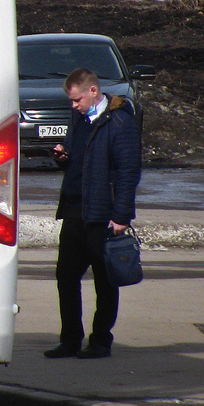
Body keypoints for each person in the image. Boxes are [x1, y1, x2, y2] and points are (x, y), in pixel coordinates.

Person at [43, 68, 142, 360]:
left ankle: (100, 341)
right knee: (66, 277)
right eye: (71, 101)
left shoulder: (120, 122)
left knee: (105, 282)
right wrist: (63, 156)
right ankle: (70, 339)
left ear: (93, 92)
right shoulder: (79, 119)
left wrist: (122, 216)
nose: (73, 106)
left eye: (76, 100)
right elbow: (78, 159)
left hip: (102, 215)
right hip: (74, 211)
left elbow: (128, 173)